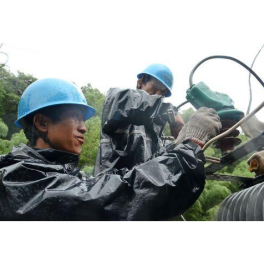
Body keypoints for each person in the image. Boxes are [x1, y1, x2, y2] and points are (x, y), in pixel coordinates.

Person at [0, 78, 222, 222]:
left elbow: (116, 182)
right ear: (41, 123)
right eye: (76, 117)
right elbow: (114, 198)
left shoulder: (59, 174)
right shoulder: (20, 179)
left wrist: (176, 150)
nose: (84, 127)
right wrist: (189, 148)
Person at [94, 64, 185, 175]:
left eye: (163, 93)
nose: (158, 95)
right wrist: (169, 111)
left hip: (141, 190)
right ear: (140, 82)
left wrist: (180, 144)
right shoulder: (118, 100)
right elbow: (122, 101)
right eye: (156, 87)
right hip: (110, 187)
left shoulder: (156, 130)